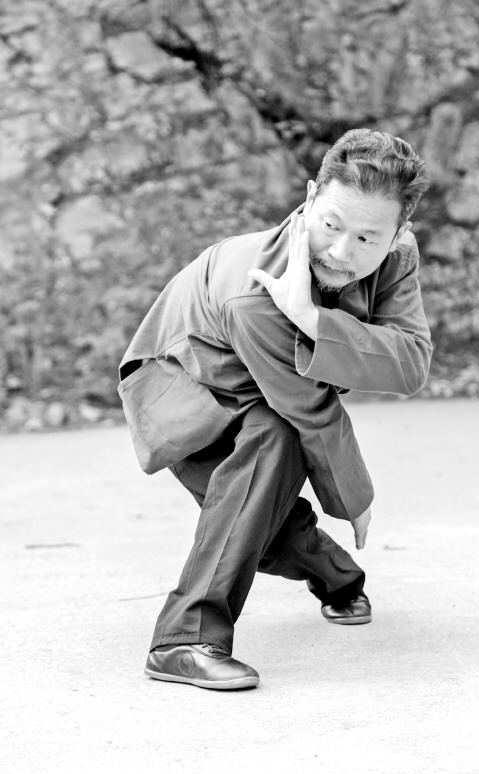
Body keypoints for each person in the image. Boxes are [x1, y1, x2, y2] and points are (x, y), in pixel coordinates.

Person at [118, 128, 432, 691]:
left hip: (265, 394)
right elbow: (309, 409)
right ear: (310, 197)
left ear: (399, 233)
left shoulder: (397, 259)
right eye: (331, 225)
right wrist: (355, 499)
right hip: (185, 389)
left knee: (259, 515)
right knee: (272, 452)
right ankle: (184, 640)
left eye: (368, 237)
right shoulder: (255, 291)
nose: (342, 252)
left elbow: (410, 363)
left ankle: (339, 579)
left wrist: (313, 320)